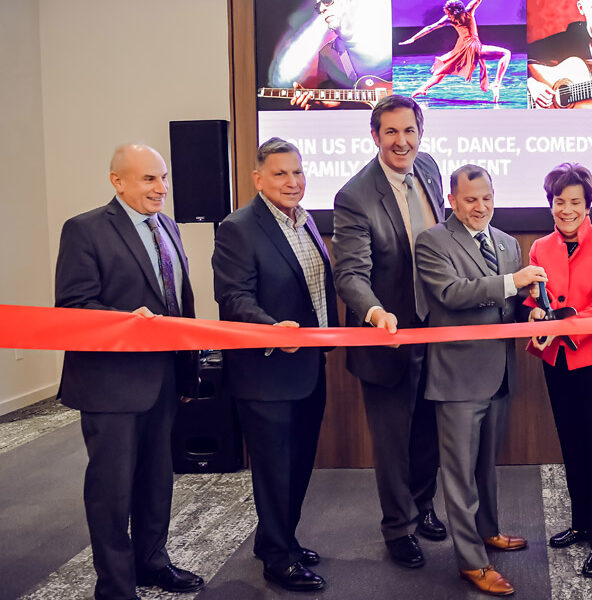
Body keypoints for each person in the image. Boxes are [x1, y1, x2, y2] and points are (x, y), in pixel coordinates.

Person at [54, 144, 204, 600]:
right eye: (148, 180)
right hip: (111, 386)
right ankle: (115, 587)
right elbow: (74, 306)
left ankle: (151, 563)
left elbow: (179, 304)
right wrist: (125, 318)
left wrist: (187, 371)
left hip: (162, 380)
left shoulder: (169, 228)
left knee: (157, 482)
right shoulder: (84, 230)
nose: (161, 189)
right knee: (111, 492)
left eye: (163, 179)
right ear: (117, 181)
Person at [212, 138, 338, 591]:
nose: (292, 181)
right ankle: (277, 559)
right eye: (281, 173)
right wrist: (270, 328)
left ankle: (279, 539)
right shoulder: (239, 227)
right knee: (273, 469)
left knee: (299, 462)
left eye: (298, 172)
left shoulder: (305, 221)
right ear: (258, 178)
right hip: (266, 372)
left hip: (307, 366)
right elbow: (232, 295)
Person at [414, 165, 547, 596]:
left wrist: (532, 310)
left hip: (499, 374)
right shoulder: (432, 241)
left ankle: (488, 531)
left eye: (487, 197)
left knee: (486, 467)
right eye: (471, 199)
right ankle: (471, 561)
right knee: (458, 476)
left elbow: (509, 305)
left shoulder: (507, 242)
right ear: (451, 200)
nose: (481, 206)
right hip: (456, 378)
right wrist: (514, 281)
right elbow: (452, 294)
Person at [333, 95, 446, 568]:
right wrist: (375, 312)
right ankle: (398, 527)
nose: (402, 141)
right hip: (388, 336)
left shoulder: (432, 171)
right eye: (391, 132)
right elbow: (350, 275)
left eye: (410, 131)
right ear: (375, 136)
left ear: (421, 133)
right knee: (393, 440)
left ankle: (422, 508)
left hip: (435, 332)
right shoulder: (355, 195)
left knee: (428, 432)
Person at [525, 163, 592, 577]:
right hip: (558, 360)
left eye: (575, 202)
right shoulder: (540, 248)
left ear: (588, 205)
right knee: (572, 445)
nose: (566, 210)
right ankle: (582, 522)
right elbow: (534, 300)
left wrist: (560, 327)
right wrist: (534, 316)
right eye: (558, 202)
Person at [399, 0, 511, 103]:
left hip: (469, 48)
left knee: (445, 69)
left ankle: (423, 88)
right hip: (467, 48)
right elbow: (430, 27)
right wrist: (413, 38)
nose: (448, 16)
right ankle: (496, 82)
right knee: (506, 53)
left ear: (457, 12)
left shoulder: (467, 12)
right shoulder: (455, 17)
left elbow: (430, 27)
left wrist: (413, 38)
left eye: (449, 14)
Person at [290, 0, 393, 109]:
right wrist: (318, 104)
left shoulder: (387, 36)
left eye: (326, 1)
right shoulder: (326, 55)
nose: (321, 9)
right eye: (317, 7)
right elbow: (328, 108)